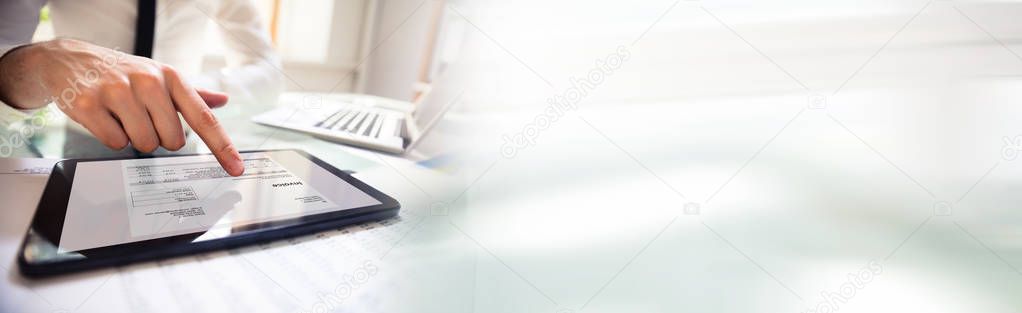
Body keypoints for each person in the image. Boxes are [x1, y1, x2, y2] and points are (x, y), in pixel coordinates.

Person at [0, 0, 285, 176]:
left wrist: (182, 92)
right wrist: (39, 61)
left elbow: (268, 72)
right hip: (82, 148)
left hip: (184, 149)